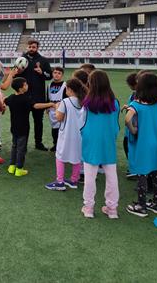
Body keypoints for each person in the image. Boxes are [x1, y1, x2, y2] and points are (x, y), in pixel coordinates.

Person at [125, 73, 157, 217]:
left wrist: (134, 130)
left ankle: (141, 206)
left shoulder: (136, 104)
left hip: (143, 143)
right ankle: (156, 204)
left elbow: (127, 119)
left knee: (142, 173)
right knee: (156, 172)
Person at [80, 70, 120, 219]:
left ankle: (88, 208)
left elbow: (82, 123)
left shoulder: (87, 103)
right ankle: (112, 209)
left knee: (90, 177)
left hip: (91, 142)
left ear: (91, 84)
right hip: (108, 141)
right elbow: (116, 125)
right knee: (111, 176)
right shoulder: (115, 103)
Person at [5, 77, 55, 177]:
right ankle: (19, 169)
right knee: (21, 149)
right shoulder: (25, 98)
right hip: (23, 128)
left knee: (14, 146)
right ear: (21, 88)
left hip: (14, 127)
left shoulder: (11, 98)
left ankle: (12, 166)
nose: (27, 86)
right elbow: (36, 106)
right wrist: (50, 104)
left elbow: (4, 101)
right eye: (25, 84)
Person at [45, 78, 87, 191]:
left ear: (69, 89)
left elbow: (59, 118)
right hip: (79, 134)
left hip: (66, 134)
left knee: (60, 156)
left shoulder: (65, 102)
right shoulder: (83, 101)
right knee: (77, 156)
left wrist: (57, 107)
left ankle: (60, 181)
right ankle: (74, 180)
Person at [16, 39, 52, 150]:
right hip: (24, 96)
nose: (31, 49)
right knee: (23, 121)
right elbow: (15, 76)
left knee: (38, 121)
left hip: (38, 96)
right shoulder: (21, 60)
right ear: (27, 47)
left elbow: (49, 76)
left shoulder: (43, 60)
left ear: (37, 48)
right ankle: (23, 144)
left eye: (34, 47)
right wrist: (17, 73)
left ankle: (38, 143)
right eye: (30, 47)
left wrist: (42, 73)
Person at [122, 72, 138, 179]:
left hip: (134, 126)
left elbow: (137, 109)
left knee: (131, 147)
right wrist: (128, 107)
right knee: (128, 145)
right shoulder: (135, 94)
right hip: (132, 127)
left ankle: (135, 170)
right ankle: (134, 168)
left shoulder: (138, 95)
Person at [47, 66, 67, 152]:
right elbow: (48, 97)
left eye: (59, 73)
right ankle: (55, 144)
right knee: (54, 129)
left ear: (62, 75)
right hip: (52, 109)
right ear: (52, 74)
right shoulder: (49, 85)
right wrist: (47, 107)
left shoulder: (65, 85)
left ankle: (61, 146)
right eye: (55, 73)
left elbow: (66, 98)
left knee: (61, 128)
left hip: (61, 109)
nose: (56, 75)